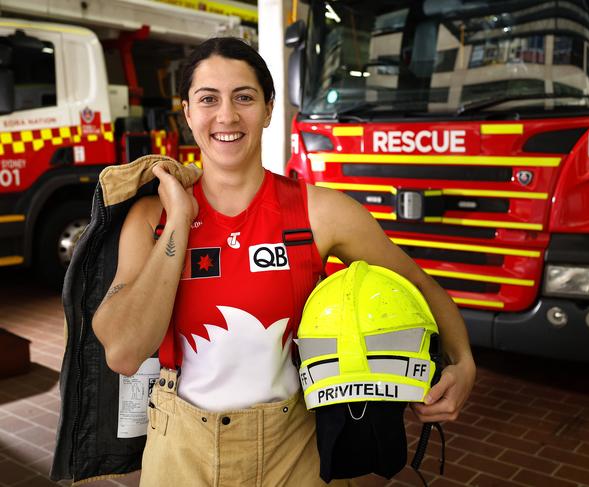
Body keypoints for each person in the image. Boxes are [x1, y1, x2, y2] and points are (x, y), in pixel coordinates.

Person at [92, 37, 476, 486]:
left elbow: (418, 284)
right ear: (188, 113)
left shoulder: (320, 212)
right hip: (180, 450)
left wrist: (464, 362)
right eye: (208, 99)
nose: (227, 116)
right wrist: (179, 219)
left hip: (293, 450)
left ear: (270, 109)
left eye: (245, 97)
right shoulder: (152, 218)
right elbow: (123, 351)